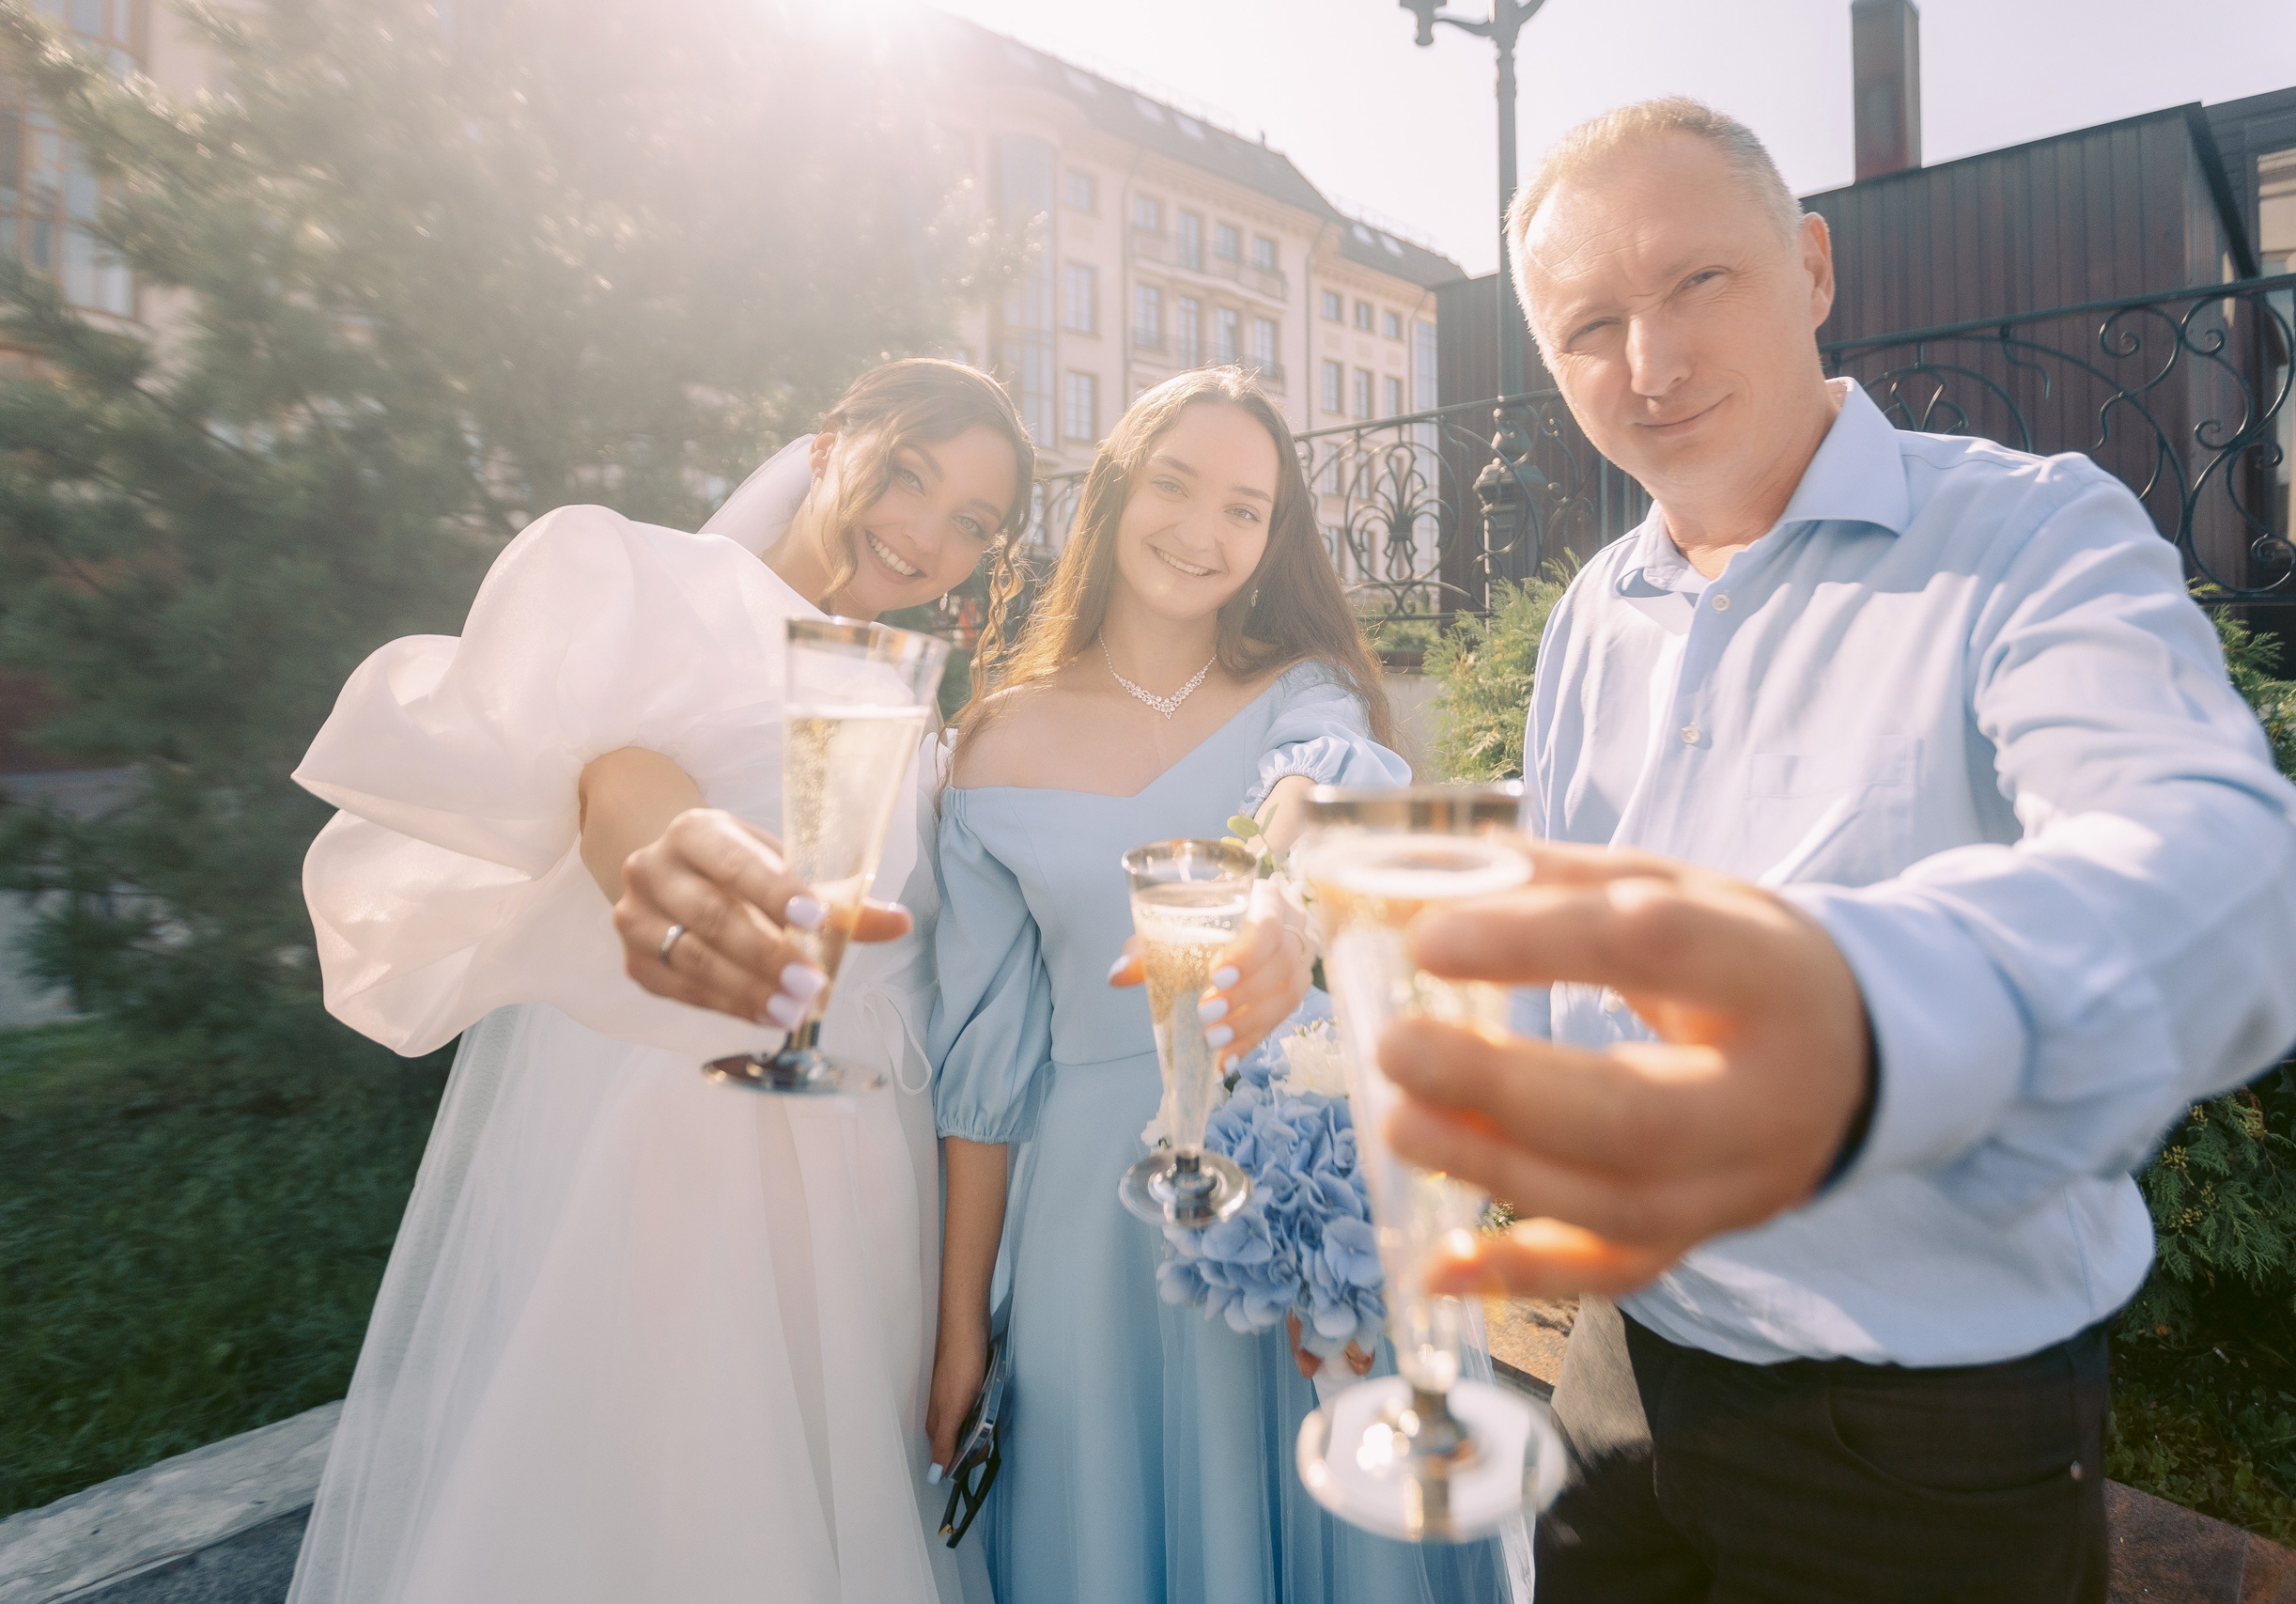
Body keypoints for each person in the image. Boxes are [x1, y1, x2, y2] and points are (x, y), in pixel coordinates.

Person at [1372, 100, 2296, 1602]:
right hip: (1618, 1370)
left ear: (1813, 267)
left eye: (1700, 281)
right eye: (1589, 325)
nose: (1653, 364)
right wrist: (1329, 958)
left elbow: (2234, 879)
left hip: (1921, 1428)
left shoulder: (2031, 538)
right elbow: (1552, 906)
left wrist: (1872, 1021)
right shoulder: (1591, 618)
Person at [287, 358, 1034, 1604]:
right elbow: (616, 778)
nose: (927, 535)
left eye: (974, 522)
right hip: (702, 1171)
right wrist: (660, 852)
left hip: (869, 1188)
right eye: (909, 474)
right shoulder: (670, 595)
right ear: (827, 441)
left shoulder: (888, 690)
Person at [925, 367, 1525, 1604]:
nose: (1204, 532)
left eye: (1246, 508)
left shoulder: (1300, 690)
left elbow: (1324, 773)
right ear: (1114, 492)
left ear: (1272, 538)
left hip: (1302, 1178)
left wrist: (1273, 891)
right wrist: (958, 1326)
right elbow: (981, 1081)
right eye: (1177, 485)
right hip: (1091, 1222)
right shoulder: (993, 741)